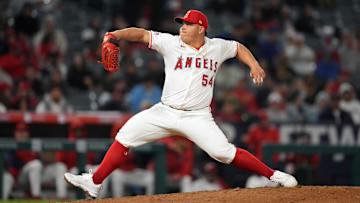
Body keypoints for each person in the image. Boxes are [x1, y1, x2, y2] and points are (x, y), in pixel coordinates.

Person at [64, 10, 297, 199]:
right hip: (164, 111)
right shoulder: (171, 43)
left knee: (223, 153)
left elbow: (238, 48)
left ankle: (274, 175)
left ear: (201, 28)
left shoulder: (217, 47)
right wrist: (116, 34)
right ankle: (94, 182)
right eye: (181, 23)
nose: (182, 27)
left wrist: (254, 65)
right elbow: (142, 34)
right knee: (125, 135)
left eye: (187, 24)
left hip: (197, 117)